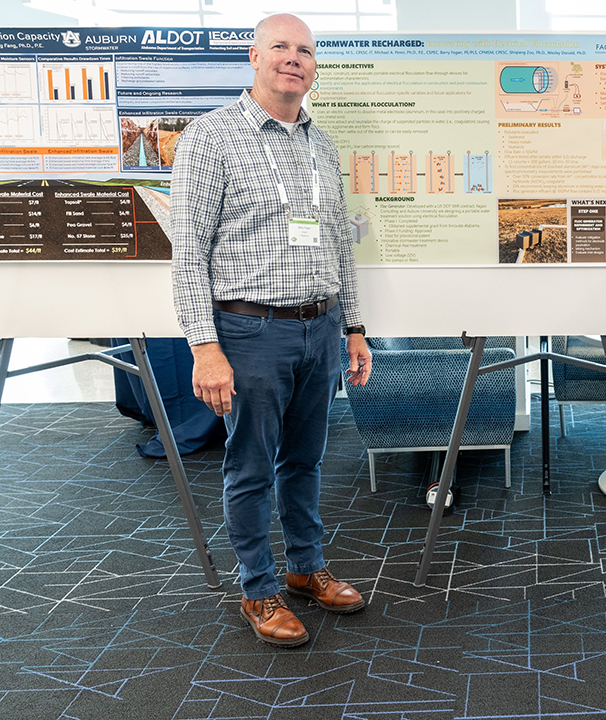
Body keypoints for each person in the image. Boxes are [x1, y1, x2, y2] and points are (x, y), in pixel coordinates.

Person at [171, 13, 372, 648]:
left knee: (306, 460)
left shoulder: (321, 143)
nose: (294, 59)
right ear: (253, 58)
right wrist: (205, 348)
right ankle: (258, 588)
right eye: (280, 47)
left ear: (314, 67)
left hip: (320, 328)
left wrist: (355, 327)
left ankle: (306, 567)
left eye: (305, 50)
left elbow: (340, 241)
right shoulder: (211, 138)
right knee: (251, 465)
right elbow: (189, 253)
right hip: (249, 331)